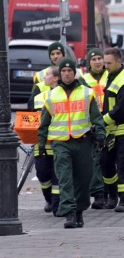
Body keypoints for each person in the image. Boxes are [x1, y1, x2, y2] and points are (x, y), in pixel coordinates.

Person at [38, 58, 106, 228]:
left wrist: (101, 135)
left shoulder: (87, 93)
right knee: (65, 178)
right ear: (60, 74)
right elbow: (44, 123)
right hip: (61, 144)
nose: (67, 74)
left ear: (74, 73)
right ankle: (68, 212)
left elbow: (97, 118)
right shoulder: (52, 96)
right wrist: (41, 144)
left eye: (69, 71)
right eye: (63, 71)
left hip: (82, 141)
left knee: (83, 179)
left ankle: (79, 210)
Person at [100, 47, 124, 212]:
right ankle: (112, 195)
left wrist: (101, 121)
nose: (106, 66)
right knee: (106, 162)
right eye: (105, 63)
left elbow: (121, 109)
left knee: (123, 165)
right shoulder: (112, 75)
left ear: (118, 61)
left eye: (109, 63)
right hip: (112, 129)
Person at [80, 48, 109, 210]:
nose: (97, 62)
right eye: (94, 59)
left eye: (100, 58)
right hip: (94, 123)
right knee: (96, 160)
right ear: (89, 62)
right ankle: (99, 194)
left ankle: (111, 192)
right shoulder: (84, 80)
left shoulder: (110, 76)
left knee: (109, 160)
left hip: (111, 121)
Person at [31, 66, 60, 214]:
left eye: (47, 75)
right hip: (41, 143)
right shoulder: (38, 98)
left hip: (58, 141)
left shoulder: (62, 95)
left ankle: (56, 205)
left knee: (57, 177)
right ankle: (49, 199)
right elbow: (31, 118)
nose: (44, 77)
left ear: (55, 78)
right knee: (42, 174)